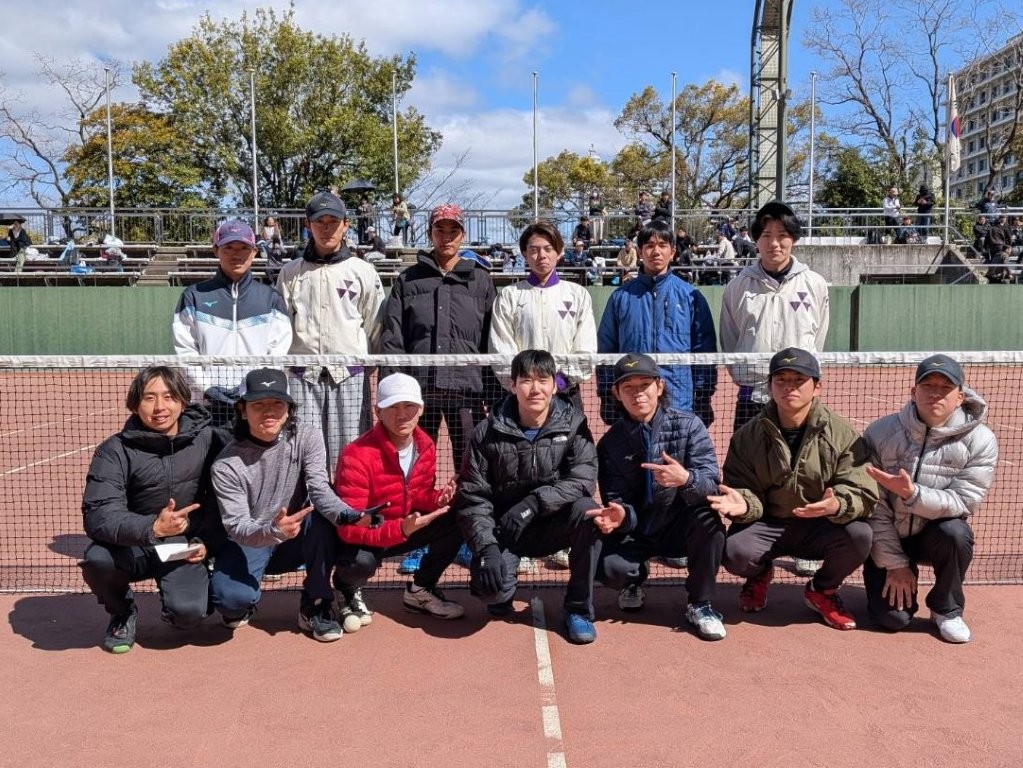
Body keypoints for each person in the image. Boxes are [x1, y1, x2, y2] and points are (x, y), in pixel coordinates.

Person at [455, 349, 622, 644]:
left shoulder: (573, 423)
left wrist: (533, 504)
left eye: (543, 380)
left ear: (555, 385)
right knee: (491, 593)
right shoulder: (485, 432)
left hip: (553, 524)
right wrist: (487, 548)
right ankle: (501, 582)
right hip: (507, 529)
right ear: (512, 385)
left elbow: (582, 480)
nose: (535, 389)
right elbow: (473, 496)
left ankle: (578, 609)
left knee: (589, 513)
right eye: (526, 380)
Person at [708, 348, 879, 630]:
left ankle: (822, 590)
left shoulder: (842, 433)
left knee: (860, 535)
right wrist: (745, 503)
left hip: (821, 525)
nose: (790, 387)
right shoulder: (747, 436)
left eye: (799, 380)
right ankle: (760, 573)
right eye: (782, 380)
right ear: (770, 386)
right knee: (735, 551)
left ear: (817, 386)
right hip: (769, 524)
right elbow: (742, 486)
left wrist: (837, 504)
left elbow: (863, 488)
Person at [378, 203, 496, 574]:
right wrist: (393, 393)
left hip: (467, 391)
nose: (446, 237)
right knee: (416, 470)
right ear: (430, 233)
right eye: (440, 230)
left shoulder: (481, 281)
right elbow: (393, 339)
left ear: (463, 235)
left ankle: (468, 538)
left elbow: (491, 341)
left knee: (472, 469)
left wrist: (494, 395)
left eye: (453, 230)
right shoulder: (408, 279)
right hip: (419, 395)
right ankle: (419, 542)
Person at [210, 368, 365, 642]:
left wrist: (347, 514)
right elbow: (237, 526)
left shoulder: (308, 437)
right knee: (230, 601)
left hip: (295, 535)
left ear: (289, 409)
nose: (269, 411)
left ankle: (315, 605)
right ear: (243, 410)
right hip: (251, 539)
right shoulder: (226, 464)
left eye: (277, 403)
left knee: (321, 521)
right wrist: (272, 530)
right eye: (258, 404)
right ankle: (243, 599)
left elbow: (320, 489)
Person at [719, 200, 831, 579]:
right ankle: (755, 554)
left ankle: (808, 548)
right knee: (750, 477)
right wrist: (749, 377)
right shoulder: (738, 287)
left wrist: (802, 385)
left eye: (782, 235)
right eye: (766, 235)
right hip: (753, 399)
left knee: (807, 473)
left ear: (793, 239)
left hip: (800, 403)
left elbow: (818, 337)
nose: (774, 243)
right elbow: (731, 341)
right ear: (756, 240)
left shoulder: (815, 284)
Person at [80, 366, 226, 653]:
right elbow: (98, 514)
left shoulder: (209, 440)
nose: (160, 407)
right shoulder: (114, 450)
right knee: (97, 560)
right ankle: (122, 612)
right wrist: (153, 528)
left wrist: (206, 542)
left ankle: (192, 595)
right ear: (135, 404)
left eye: (169, 397)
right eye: (149, 398)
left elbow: (222, 502)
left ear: (183, 401)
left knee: (188, 615)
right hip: (134, 544)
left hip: (184, 545)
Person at [862, 355, 997, 643]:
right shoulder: (880, 432)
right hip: (890, 533)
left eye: (945, 387)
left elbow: (964, 501)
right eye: (928, 385)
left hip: (934, 535)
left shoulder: (981, 440)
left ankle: (946, 609)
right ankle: (895, 578)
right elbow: (874, 506)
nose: (936, 393)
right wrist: (895, 563)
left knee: (956, 533)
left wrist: (913, 495)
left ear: (960, 397)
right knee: (892, 620)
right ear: (914, 391)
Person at [596, 353, 727, 640]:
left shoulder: (689, 425)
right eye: (628, 387)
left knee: (710, 524)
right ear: (616, 393)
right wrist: (622, 515)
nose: (638, 393)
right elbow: (615, 497)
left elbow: (712, 484)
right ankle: (634, 581)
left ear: (659, 386)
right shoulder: (609, 444)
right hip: (639, 529)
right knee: (609, 568)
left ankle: (700, 603)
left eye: (645, 384)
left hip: (680, 525)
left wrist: (686, 479)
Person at [333, 373, 464, 626]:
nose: (402, 415)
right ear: (378, 411)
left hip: (404, 527)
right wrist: (400, 529)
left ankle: (420, 590)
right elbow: (348, 527)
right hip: (365, 535)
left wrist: (438, 499)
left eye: (409, 406)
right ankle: (345, 587)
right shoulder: (356, 455)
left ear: (421, 409)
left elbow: (418, 494)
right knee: (361, 562)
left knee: (457, 515)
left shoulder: (426, 446)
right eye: (392, 407)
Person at [276, 191, 385, 477]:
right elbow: (282, 325)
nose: (327, 229)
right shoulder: (290, 272)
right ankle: (308, 505)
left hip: (349, 375)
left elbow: (374, 324)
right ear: (308, 225)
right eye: (319, 222)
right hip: (303, 375)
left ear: (346, 224)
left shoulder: (363, 271)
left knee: (351, 456)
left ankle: (348, 505)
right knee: (303, 455)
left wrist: (364, 365)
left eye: (333, 222)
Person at [597, 218, 718, 427]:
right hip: (635, 404)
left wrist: (703, 396)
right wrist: (607, 394)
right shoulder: (620, 297)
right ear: (640, 251)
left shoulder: (691, 296)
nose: (656, 251)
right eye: (650, 246)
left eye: (662, 245)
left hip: (679, 403)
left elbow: (704, 350)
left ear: (673, 252)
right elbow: (606, 350)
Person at [173, 220, 292, 426]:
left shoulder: (271, 298)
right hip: (206, 407)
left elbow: (277, 353)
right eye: (228, 247)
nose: (236, 254)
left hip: (255, 404)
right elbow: (185, 350)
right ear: (216, 250)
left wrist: (253, 388)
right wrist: (207, 388)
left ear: (254, 252)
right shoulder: (193, 296)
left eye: (244, 248)